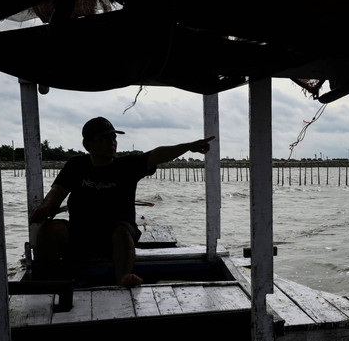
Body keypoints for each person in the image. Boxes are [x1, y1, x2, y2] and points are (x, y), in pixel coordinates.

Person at [29, 116, 215, 287]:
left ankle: (123, 279)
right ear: (87, 145)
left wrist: (189, 146)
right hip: (81, 233)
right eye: (103, 139)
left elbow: (157, 154)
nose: (111, 143)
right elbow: (58, 191)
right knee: (49, 230)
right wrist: (45, 208)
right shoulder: (76, 165)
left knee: (123, 232)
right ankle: (47, 283)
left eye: (113, 138)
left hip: (115, 235)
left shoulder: (127, 165)